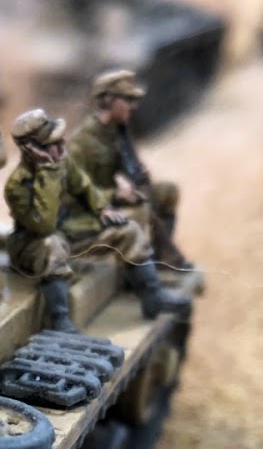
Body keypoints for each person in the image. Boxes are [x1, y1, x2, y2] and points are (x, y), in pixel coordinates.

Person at [4, 108, 189, 331]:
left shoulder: (62, 162)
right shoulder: (17, 185)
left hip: (67, 233)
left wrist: (101, 208)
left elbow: (83, 185)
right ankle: (61, 321)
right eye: (53, 142)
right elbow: (45, 225)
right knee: (52, 246)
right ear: (32, 150)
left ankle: (152, 296)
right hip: (32, 246)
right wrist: (48, 170)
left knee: (128, 230)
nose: (62, 144)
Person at [67, 69, 202, 293]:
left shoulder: (116, 133)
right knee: (140, 209)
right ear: (108, 100)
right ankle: (133, 277)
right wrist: (115, 194)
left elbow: (126, 167)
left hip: (110, 199)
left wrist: (135, 174)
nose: (133, 106)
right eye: (128, 99)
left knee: (166, 192)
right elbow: (72, 191)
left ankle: (161, 255)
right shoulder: (81, 142)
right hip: (87, 211)